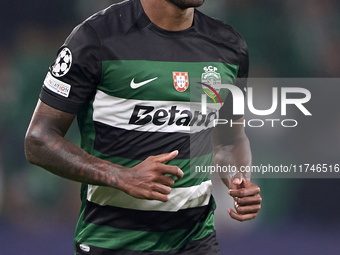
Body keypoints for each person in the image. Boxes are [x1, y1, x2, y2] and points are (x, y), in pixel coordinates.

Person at [25, 0, 262, 254]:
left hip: (195, 241)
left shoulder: (229, 46)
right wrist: (121, 176)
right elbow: (38, 140)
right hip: (112, 241)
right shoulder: (96, 38)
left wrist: (239, 179)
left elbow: (230, 139)